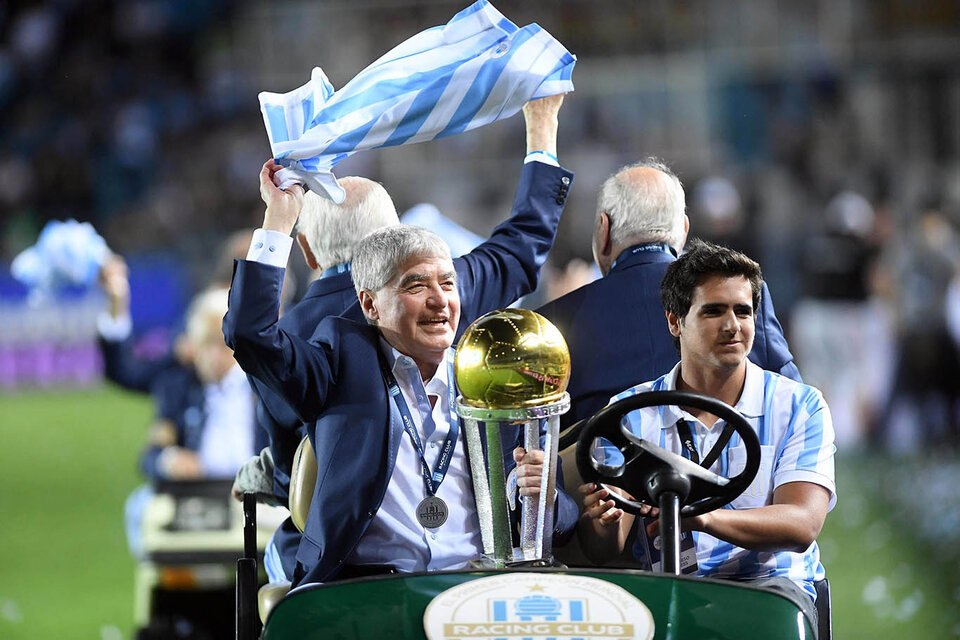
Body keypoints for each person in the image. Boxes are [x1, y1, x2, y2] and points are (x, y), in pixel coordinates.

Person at [223, 94, 578, 586]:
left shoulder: (492, 367)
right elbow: (521, 247)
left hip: (475, 585)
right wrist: (542, 127)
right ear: (373, 300)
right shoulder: (337, 354)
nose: (439, 301)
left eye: (445, 283)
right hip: (368, 586)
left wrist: (545, 499)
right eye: (414, 283)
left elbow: (552, 517)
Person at [578, 240, 836, 631]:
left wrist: (702, 518)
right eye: (714, 311)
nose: (733, 326)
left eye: (743, 311)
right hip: (669, 592)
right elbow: (603, 549)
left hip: (771, 591)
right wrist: (604, 521)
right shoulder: (629, 411)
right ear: (674, 321)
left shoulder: (800, 405)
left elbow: (802, 525)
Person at [536, 159, 800, 430]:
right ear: (683, 231)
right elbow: (794, 409)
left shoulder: (550, 325)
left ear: (603, 230)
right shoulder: (743, 296)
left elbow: (528, 450)